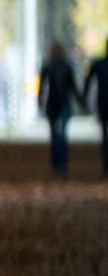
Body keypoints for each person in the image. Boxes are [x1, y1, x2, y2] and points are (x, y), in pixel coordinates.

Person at [38, 39, 84, 177]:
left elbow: (72, 87)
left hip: (63, 103)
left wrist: (80, 101)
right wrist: (40, 101)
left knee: (61, 135)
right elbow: (42, 86)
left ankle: (62, 164)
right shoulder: (49, 66)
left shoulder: (65, 67)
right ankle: (57, 164)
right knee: (55, 135)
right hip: (54, 104)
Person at [84, 43, 108, 177]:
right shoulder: (98, 64)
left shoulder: (98, 64)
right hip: (103, 102)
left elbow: (88, 81)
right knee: (104, 133)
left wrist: (83, 96)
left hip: (103, 102)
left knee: (104, 134)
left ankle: (106, 163)